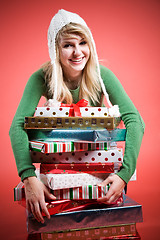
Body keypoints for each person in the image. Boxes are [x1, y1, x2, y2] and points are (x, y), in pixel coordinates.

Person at [9, 9, 145, 224]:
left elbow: (135, 121)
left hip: (95, 166)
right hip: (55, 167)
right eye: (68, 45)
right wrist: (28, 177)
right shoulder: (41, 78)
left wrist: (124, 174)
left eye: (83, 42)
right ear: (55, 50)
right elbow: (17, 126)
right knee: (53, 224)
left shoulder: (102, 76)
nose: (77, 52)